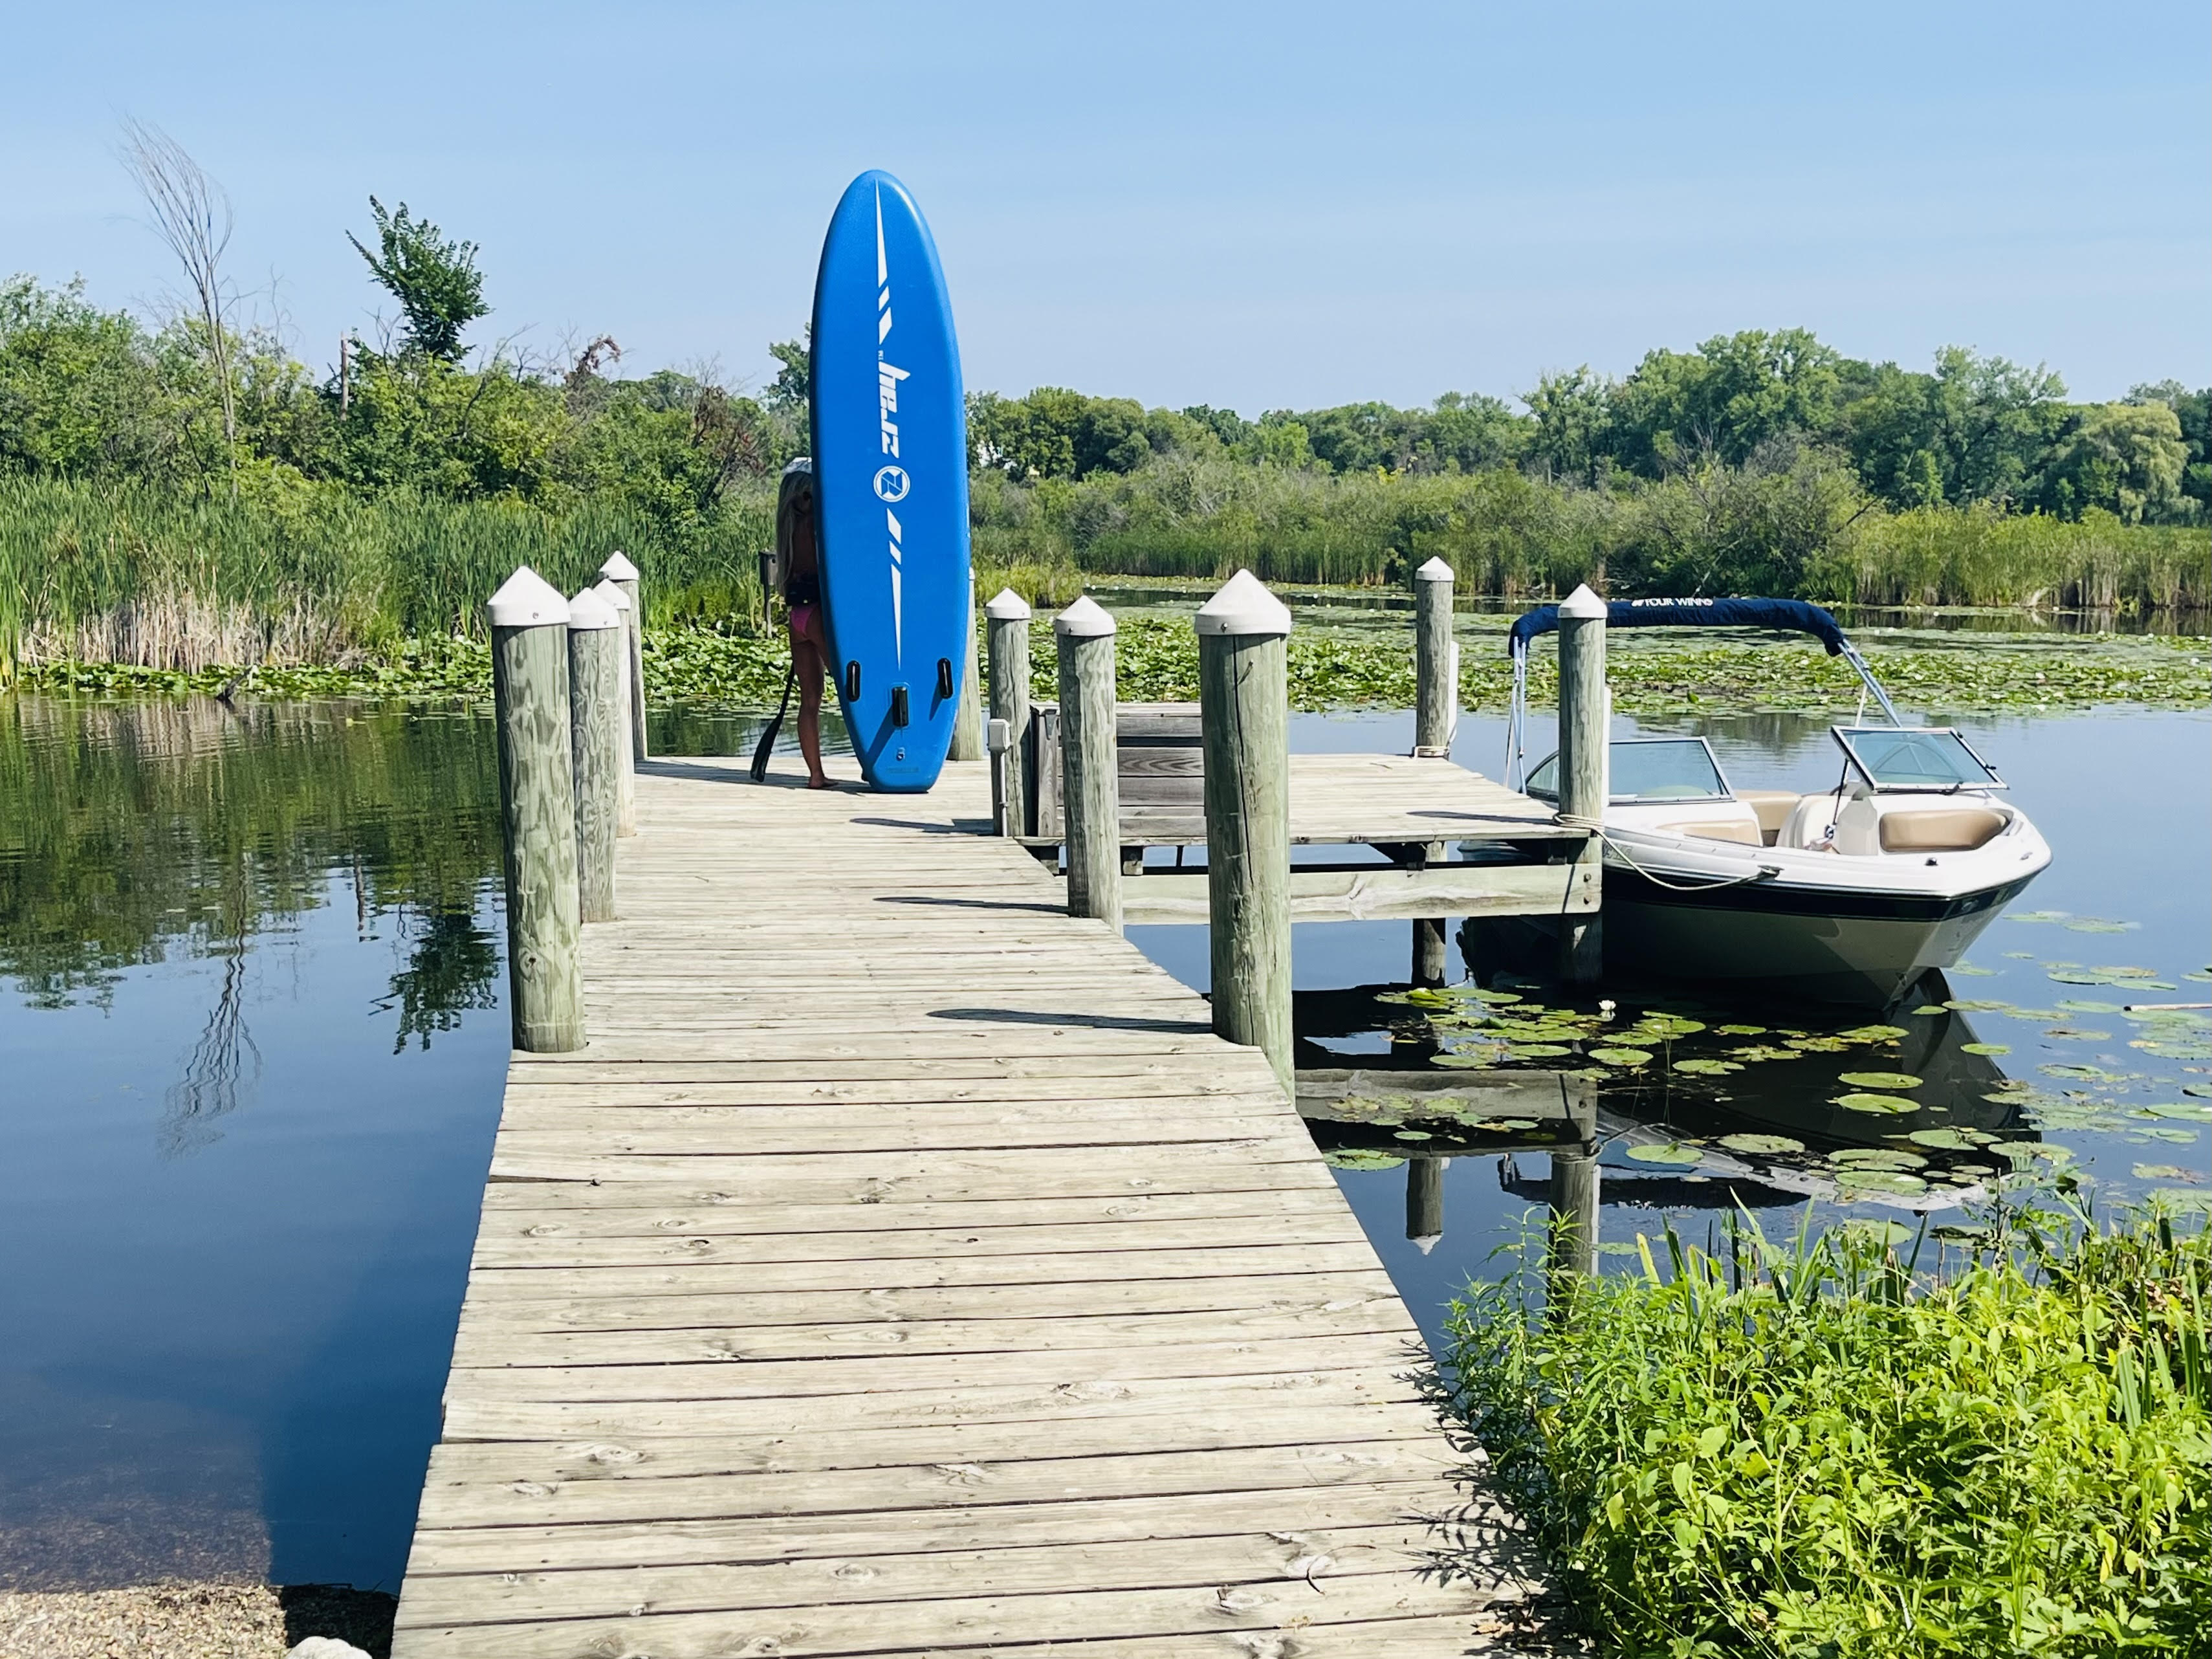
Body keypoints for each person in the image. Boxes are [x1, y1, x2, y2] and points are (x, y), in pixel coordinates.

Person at [775, 458, 838, 789]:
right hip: (815, 613)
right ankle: (875, 764)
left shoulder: (785, 528)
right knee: (850, 689)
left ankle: (816, 774)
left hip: (796, 618)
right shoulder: (814, 524)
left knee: (810, 700)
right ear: (803, 494)